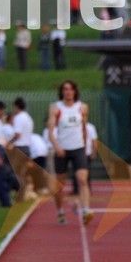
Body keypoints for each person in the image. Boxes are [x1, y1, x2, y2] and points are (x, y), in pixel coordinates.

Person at [47, 80, 93, 225]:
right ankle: (60, 211)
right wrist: (57, 147)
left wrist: (85, 146)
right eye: (65, 89)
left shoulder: (82, 107)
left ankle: (86, 211)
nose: (68, 92)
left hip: (78, 148)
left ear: (75, 92)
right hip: (62, 150)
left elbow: (84, 128)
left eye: (71, 89)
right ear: (62, 92)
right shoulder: (55, 108)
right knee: (59, 184)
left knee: (82, 179)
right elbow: (50, 131)